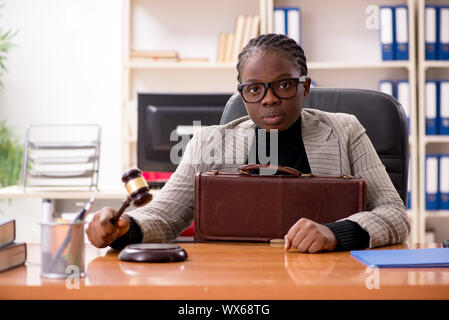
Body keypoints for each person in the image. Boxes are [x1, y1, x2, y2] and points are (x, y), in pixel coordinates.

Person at [86, 33, 409, 253]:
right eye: (254, 89)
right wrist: (124, 229)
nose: (268, 100)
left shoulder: (345, 130)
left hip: (326, 274)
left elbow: (394, 214)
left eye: (283, 85)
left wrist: (336, 233)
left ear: (305, 87)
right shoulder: (210, 141)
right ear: (242, 93)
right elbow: (165, 215)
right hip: (235, 278)